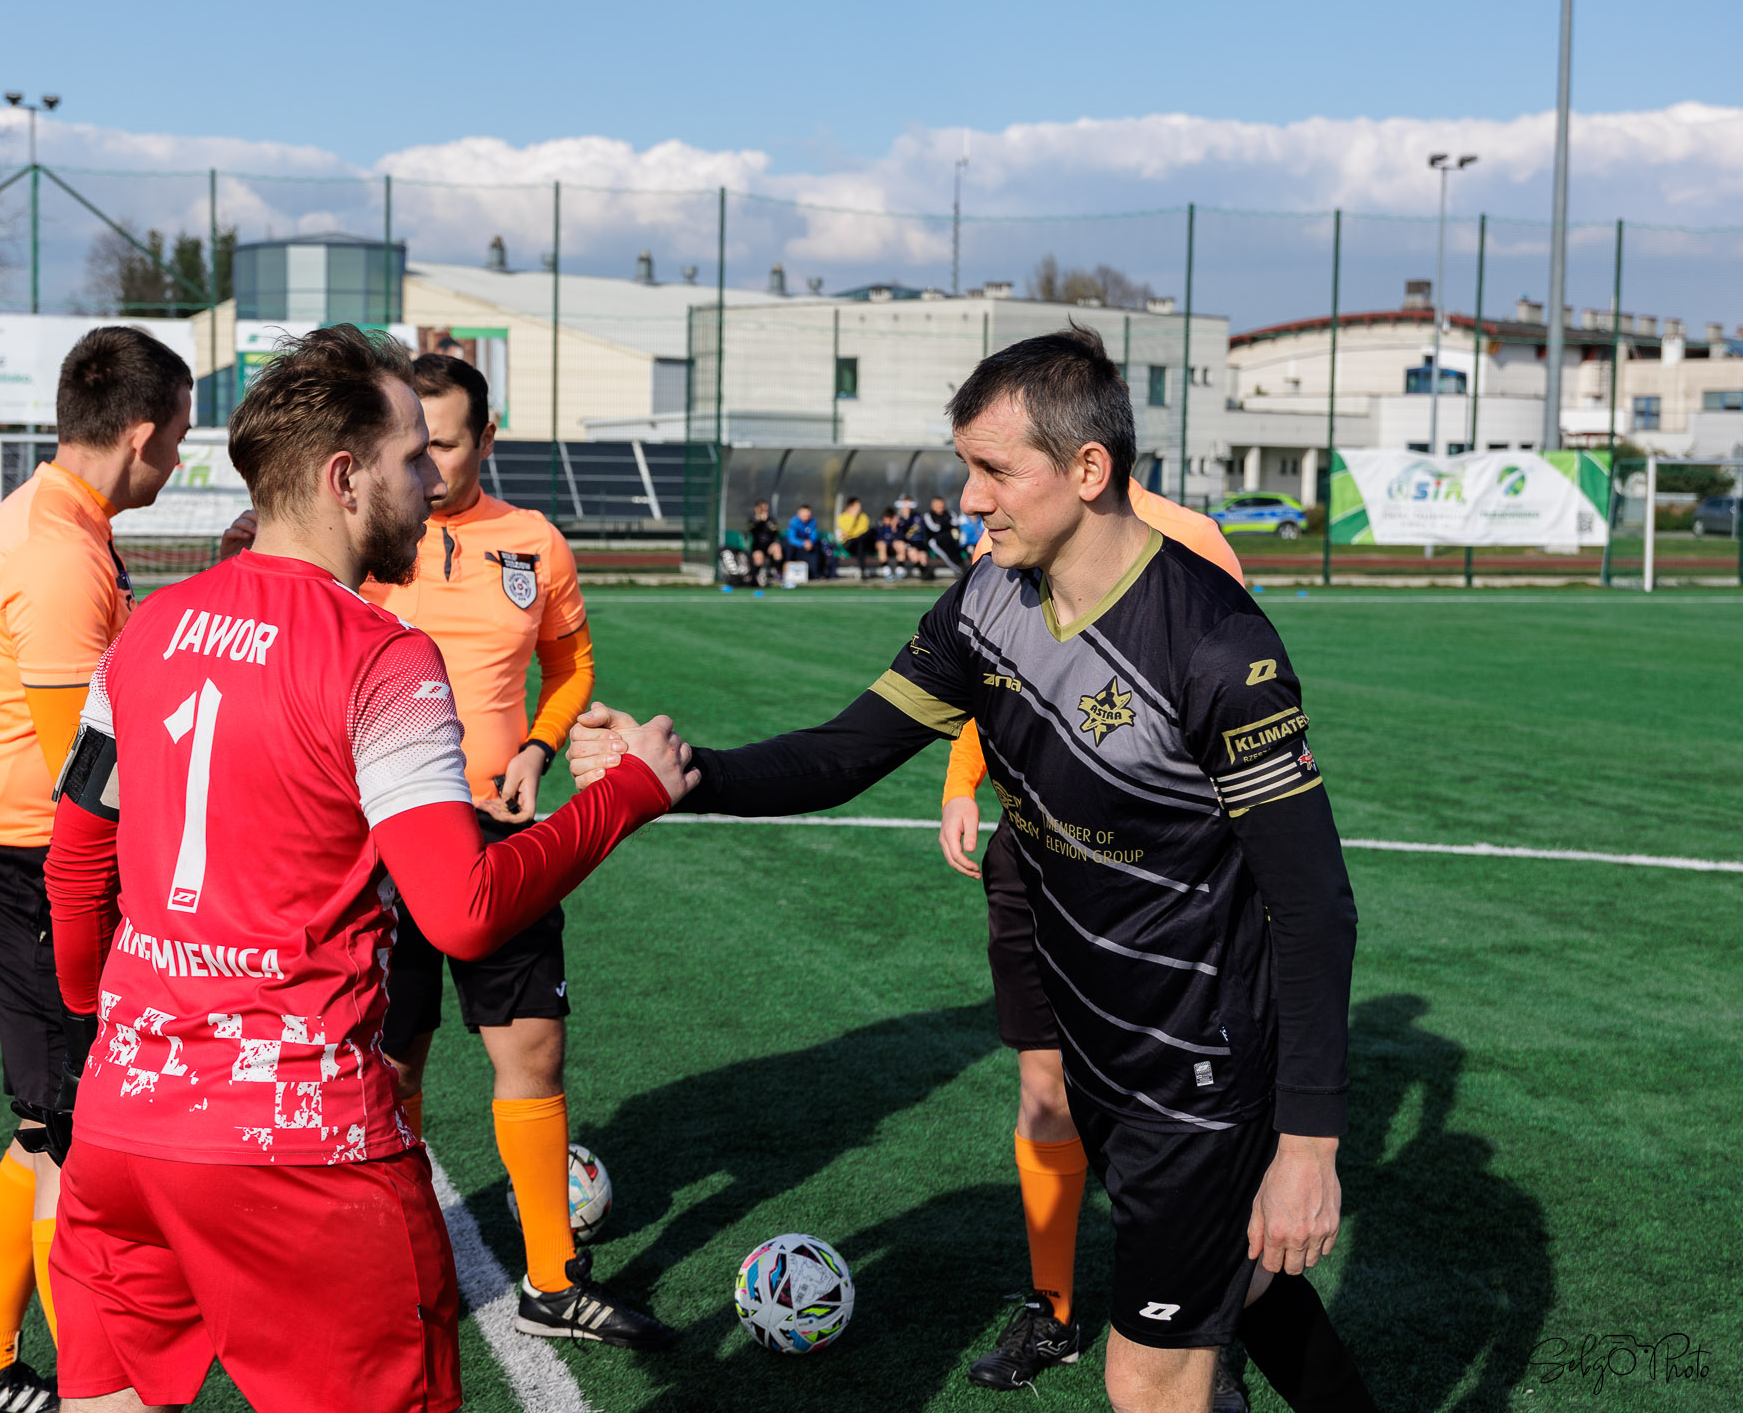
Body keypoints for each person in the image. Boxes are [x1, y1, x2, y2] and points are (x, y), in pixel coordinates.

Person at [571, 326, 1376, 1413]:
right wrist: (684, 774)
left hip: (1197, 1069)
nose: (968, 499)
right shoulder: (988, 598)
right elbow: (849, 749)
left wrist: (1309, 1143)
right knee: (1251, 1281)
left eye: (994, 470)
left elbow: (1314, 905)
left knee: (1147, 1378)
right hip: (1096, 1042)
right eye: (966, 466)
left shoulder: (1217, 648)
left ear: (1087, 469)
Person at [38, 325, 695, 1413]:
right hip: (302, 1150)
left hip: (122, 1128)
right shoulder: (381, 656)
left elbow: (74, 869)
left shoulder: (145, 633)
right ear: (344, 479)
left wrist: (92, 1031)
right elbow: (463, 910)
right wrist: (627, 795)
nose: (432, 484)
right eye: (411, 458)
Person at [216, 351, 667, 1346]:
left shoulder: (535, 543)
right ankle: (397, 1263)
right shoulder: (363, 537)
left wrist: (540, 746)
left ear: (486, 439)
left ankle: (551, 1279)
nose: (431, 467)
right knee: (390, 1060)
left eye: (447, 445)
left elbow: (571, 663)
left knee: (533, 1045)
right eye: (416, 448)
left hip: (498, 829)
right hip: (380, 837)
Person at [0, 326, 194, 1413]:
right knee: (82, 1142)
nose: (177, 460)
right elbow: (80, 777)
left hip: (15, 859)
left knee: (46, 1129)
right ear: (139, 433)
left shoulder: (68, 522)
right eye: (177, 439)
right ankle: (98, 1389)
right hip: (26, 866)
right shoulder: (59, 549)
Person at [937, 480, 1247, 1403]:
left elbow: (1230, 707)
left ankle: (1209, 1334)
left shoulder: (1191, 541)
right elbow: (986, 668)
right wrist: (960, 781)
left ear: (1090, 453)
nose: (982, 492)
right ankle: (1053, 1309)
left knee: (1185, 1119)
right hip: (1031, 851)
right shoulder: (1013, 533)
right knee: (1045, 1091)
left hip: (1156, 876)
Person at [784, 503, 831, 580]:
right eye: (804, 513)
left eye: (808, 514)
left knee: (817, 548)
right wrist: (803, 543)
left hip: (808, 543)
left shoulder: (812, 521)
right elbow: (792, 538)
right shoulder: (794, 522)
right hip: (796, 544)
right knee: (789, 547)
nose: (806, 516)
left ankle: (816, 573)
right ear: (799, 513)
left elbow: (814, 535)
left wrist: (811, 542)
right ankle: (786, 572)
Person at [922, 495, 965, 574]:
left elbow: (955, 524)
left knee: (955, 550)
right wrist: (947, 524)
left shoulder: (950, 513)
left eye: (941, 504)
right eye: (937, 504)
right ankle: (959, 570)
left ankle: (962, 568)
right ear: (932, 506)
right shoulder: (928, 515)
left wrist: (943, 524)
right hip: (935, 541)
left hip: (950, 540)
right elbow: (935, 528)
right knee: (946, 554)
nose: (940, 506)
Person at [746, 500, 784, 586]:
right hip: (757, 547)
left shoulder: (771, 520)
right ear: (757, 509)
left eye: (766, 509)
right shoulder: (752, 520)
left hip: (769, 547)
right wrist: (759, 521)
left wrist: (770, 524)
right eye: (762, 509)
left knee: (777, 548)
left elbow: (776, 532)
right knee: (758, 556)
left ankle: (778, 573)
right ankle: (755, 577)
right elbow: (751, 530)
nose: (765, 511)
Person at [835, 496, 874, 577]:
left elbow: (864, 531)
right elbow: (847, 530)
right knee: (859, 541)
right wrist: (853, 517)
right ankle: (862, 570)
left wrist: (851, 534)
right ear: (850, 507)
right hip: (848, 543)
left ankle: (862, 570)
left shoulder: (863, 516)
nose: (859, 508)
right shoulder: (841, 518)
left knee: (864, 538)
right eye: (857, 506)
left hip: (862, 541)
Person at [873, 505, 905, 580]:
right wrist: (891, 542)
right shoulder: (880, 524)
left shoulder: (898, 525)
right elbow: (880, 538)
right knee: (882, 545)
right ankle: (886, 570)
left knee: (901, 545)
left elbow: (901, 537)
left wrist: (894, 528)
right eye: (885, 519)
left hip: (892, 548)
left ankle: (899, 570)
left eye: (888, 519)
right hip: (883, 547)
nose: (886, 521)